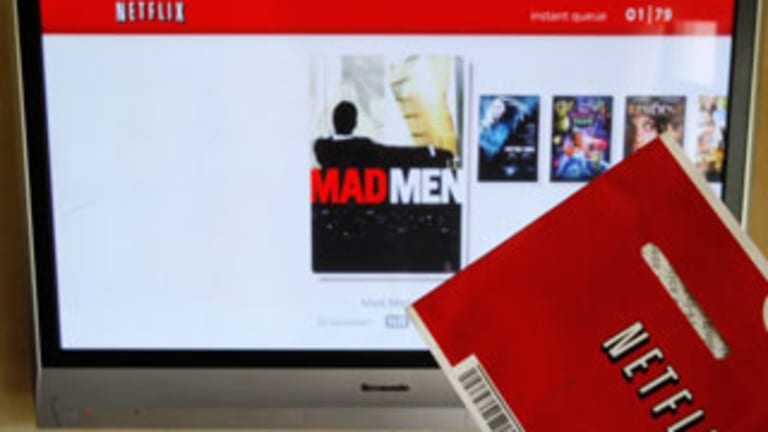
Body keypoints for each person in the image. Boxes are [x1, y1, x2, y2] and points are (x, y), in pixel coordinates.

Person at [314, 101, 453, 169]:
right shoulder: (363, 147)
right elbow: (398, 155)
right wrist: (431, 152)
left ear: (333, 120)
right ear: (355, 123)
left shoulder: (322, 148)